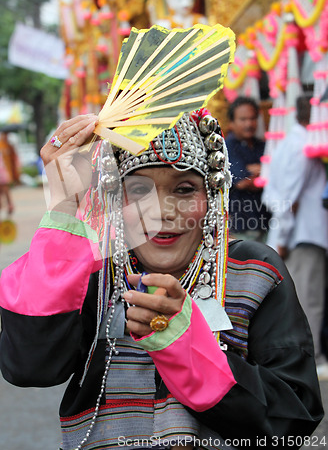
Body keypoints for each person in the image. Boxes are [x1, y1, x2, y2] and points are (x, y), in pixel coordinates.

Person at [0, 107, 323, 450]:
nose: (163, 210)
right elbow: (29, 367)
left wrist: (186, 347)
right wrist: (65, 207)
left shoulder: (254, 271)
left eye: (184, 189)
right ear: (116, 197)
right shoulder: (92, 273)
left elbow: (293, 421)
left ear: (210, 195)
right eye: (139, 190)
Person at [264, 96, 328, 379]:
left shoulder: (288, 143)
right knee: (308, 299)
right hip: (301, 236)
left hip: (290, 235)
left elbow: (272, 193)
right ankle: (310, 359)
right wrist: (284, 235)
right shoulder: (304, 147)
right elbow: (289, 198)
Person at [225, 96, 270, 241]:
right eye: (243, 119)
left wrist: (257, 172)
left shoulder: (262, 145)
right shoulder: (228, 146)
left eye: (252, 118)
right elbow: (242, 182)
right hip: (240, 225)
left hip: (264, 221)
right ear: (231, 122)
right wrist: (265, 172)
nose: (249, 124)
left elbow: (276, 176)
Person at [0, 132, 19, 215]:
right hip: (3, 171)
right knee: (4, 190)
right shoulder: (2, 145)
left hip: (3, 171)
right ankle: (8, 205)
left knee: (5, 189)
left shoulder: (7, 145)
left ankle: (9, 205)